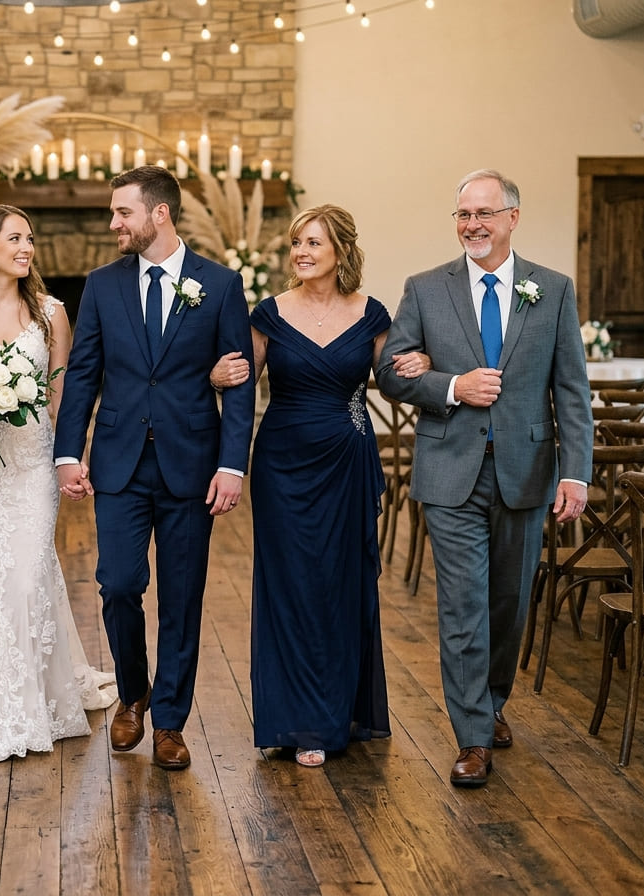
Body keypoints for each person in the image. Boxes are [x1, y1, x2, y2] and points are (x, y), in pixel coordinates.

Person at [376, 169, 592, 787]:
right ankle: (472, 736)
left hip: (527, 471)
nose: (473, 225)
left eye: (484, 214)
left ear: (512, 218)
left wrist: (575, 473)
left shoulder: (550, 290)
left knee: (509, 604)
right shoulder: (425, 288)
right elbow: (391, 374)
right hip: (450, 472)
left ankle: (493, 700)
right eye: (463, 215)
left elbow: (571, 391)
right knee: (465, 605)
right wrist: (449, 385)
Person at [54, 166, 257, 771]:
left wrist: (231, 465)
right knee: (117, 584)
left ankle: (169, 721)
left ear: (159, 213)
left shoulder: (220, 285)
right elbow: (84, 372)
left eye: (123, 212)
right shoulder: (101, 284)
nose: (113, 223)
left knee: (183, 598)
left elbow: (239, 383)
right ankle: (133, 693)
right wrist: (69, 453)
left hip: (192, 464)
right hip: (118, 463)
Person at [215, 205, 429, 767]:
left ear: (341, 251)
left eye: (314, 243)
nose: (302, 253)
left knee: (339, 585)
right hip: (283, 465)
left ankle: (335, 711)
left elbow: (390, 382)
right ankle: (295, 719)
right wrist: (215, 378)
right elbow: (240, 386)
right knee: (290, 586)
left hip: (346, 461)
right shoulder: (268, 314)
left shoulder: (371, 313)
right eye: (297, 244)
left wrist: (418, 367)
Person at [0, 204, 117, 763]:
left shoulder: (52, 312)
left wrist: (69, 457)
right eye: (15, 238)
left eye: (30, 238)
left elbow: (63, 394)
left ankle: (30, 703)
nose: (27, 247)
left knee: (28, 574)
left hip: (29, 464)